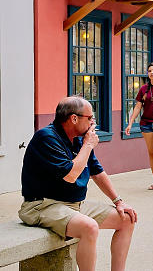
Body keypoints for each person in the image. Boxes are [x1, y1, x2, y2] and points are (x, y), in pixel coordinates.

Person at [19, 97, 137, 271]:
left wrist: (118, 201)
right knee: (89, 227)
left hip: (73, 206)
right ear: (74, 118)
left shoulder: (77, 139)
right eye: (89, 118)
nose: (92, 123)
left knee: (127, 219)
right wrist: (88, 145)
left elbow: (97, 171)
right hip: (42, 206)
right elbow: (71, 175)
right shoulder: (46, 138)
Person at [125, 62, 153, 191]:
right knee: (151, 152)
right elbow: (138, 106)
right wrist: (130, 123)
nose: (152, 73)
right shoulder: (144, 89)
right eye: (149, 70)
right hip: (146, 123)